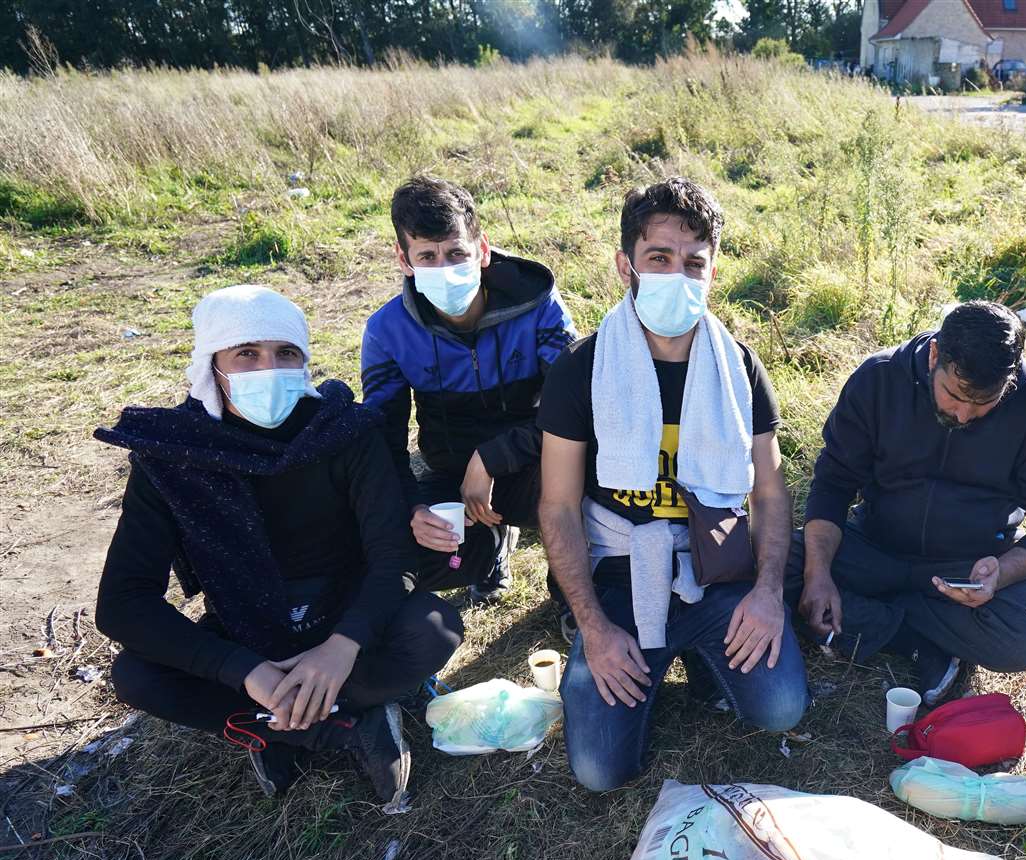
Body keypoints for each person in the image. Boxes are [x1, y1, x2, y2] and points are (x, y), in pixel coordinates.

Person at [96, 285, 464, 812]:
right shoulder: (175, 457)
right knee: (136, 674)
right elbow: (124, 602)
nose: (269, 368)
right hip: (247, 631)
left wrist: (342, 646)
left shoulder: (343, 433)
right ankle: (326, 728)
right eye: (247, 353)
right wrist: (247, 672)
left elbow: (392, 558)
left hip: (347, 612)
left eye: (286, 353)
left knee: (434, 628)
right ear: (212, 366)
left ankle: (283, 718)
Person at [537, 177, 807, 792]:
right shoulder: (583, 368)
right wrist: (594, 628)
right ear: (624, 263)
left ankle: (700, 651)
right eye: (658, 258)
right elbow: (556, 507)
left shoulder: (736, 365)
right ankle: (649, 657)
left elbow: (768, 494)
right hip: (620, 574)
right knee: (600, 771)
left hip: (715, 565)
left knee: (781, 709)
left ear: (713, 272)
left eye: (694, 263)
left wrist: (767, 594)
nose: (677, 277)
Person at [785, 300, 1026, 704]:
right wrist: (818, 574)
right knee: (767, 561)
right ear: (936, 354)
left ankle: (873, 619)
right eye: (954, 395)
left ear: (1010, 380)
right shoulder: (878, 379)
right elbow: (833, 484)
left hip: (966, 567)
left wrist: (1001, 573)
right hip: (872, 546)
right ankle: (918, 637)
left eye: (983, 404)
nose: (963, 415)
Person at [360, 175, 577, 604]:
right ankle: (485, 551)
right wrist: (412, 509)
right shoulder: (386, 332)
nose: (444, 269)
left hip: (537, 459)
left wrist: (493, 457)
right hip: (451, 476)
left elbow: (576, 409)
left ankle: (570, 593)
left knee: (596, 494)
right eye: (427, 256)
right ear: (404, 260)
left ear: (481, 250)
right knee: (419, 556)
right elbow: (382, 438)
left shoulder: (540, 306)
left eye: (456, 253)